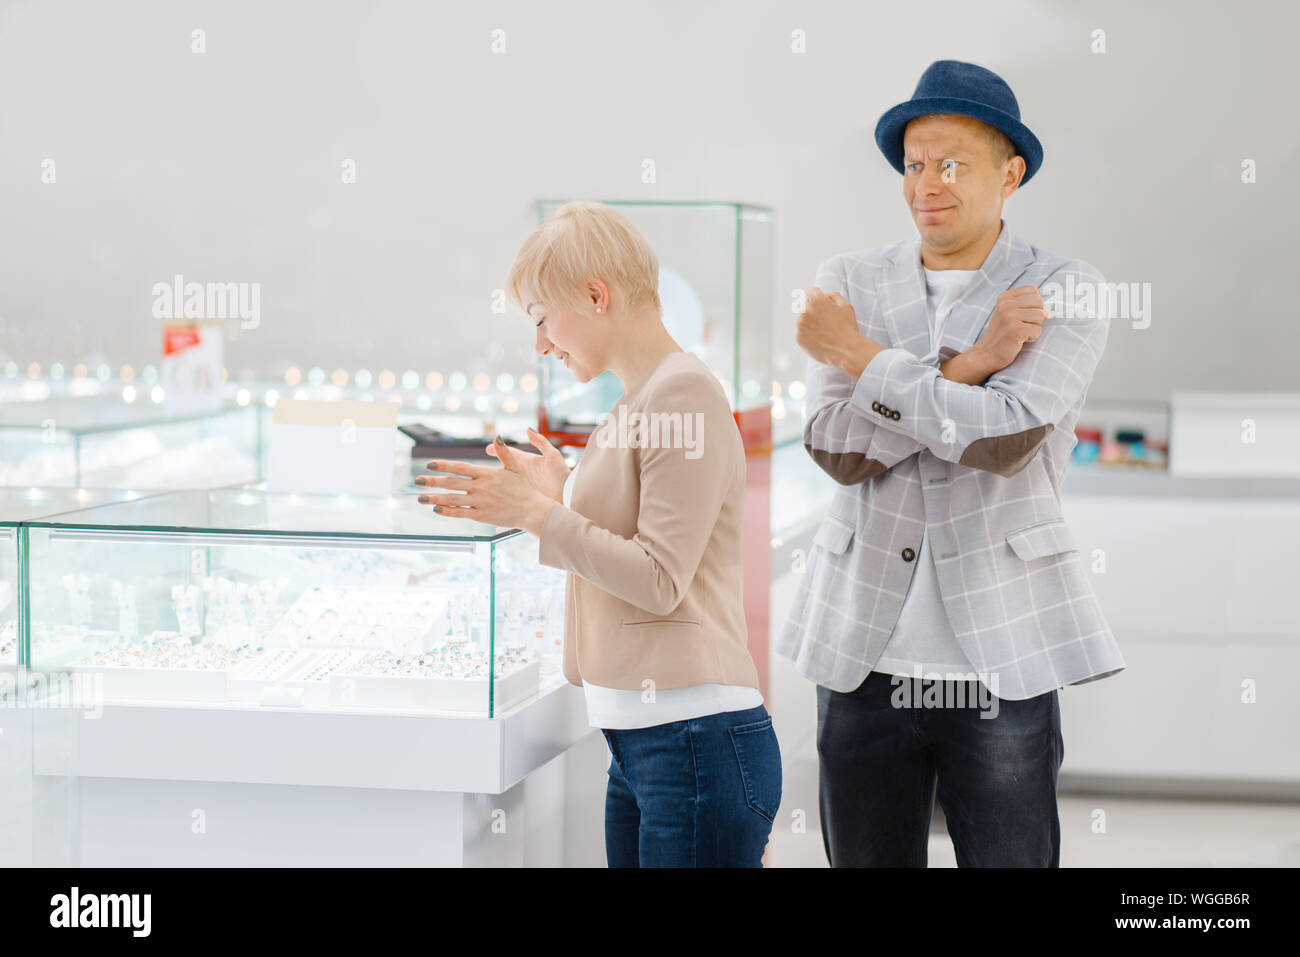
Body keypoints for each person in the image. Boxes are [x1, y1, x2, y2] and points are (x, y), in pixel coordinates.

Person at [777, 59, 1125, 867]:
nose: (926, 183)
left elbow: (1004, 439)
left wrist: (864, 359)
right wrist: (971, 367)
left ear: (1010, 174)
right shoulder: (849, 279)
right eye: (914, 163)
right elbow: (834, 446)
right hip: (863, 650)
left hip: (999, 654)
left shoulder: (1063, 287)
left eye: (952, 163)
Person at [416, 200, 781, 867]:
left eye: (541, 318)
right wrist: (558, 492)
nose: (541, 343)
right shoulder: (641, 398)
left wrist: (536, 512)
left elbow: (659, 578)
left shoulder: (681, 395)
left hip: (693, 740)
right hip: (651, 743)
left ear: (594, 294)